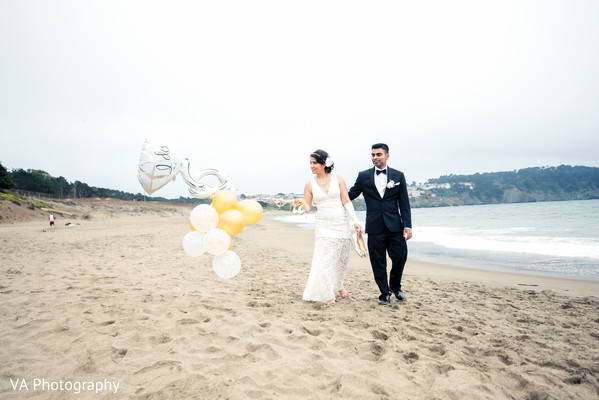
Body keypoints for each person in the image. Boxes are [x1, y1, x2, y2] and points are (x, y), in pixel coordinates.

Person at [348, 143, 412, 305]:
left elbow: (404, 203)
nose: (375, 157)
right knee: (378, 261)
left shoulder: (398, 175)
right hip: (375, 226)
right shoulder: (363, 176)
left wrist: (408, 225)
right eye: (373, 155)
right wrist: (332, 196)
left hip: (395, 226)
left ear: (387, 156)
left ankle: (395, 287)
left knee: (400, 257)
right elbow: (350, 195)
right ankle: (384, 292)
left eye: (378, 154)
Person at [302, 149, 363, 303]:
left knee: (342, 258)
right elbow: (308, 208)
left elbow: (346, 201)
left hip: (341, 222)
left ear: (324, 164)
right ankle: (327, 293)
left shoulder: (338, 179)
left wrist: (355, 220)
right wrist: (301, 205)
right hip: (323, 224)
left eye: (314, 163)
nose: (311, 166)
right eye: (310, 163)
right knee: (326, 259)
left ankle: (339, 285)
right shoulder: (309, 184)